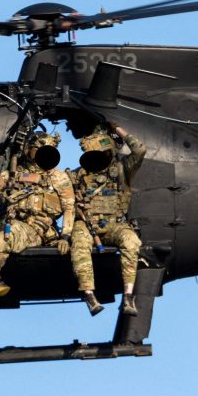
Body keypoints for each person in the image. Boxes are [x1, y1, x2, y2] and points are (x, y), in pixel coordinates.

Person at [0, 131, 75, 310]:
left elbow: (69, 209)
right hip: (8, 222)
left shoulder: (58, 177)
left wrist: (65, 237)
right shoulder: (12, 173)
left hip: (34, 229)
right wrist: (0, 198)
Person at [68, 122, 146, 316]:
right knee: (79, 243)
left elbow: (140, 149)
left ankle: (128, 296)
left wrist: (118, 128)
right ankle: (88, 294)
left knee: (131, 242)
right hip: (87, 225)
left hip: (115, 224)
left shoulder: (122, 169)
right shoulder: (78, 175)